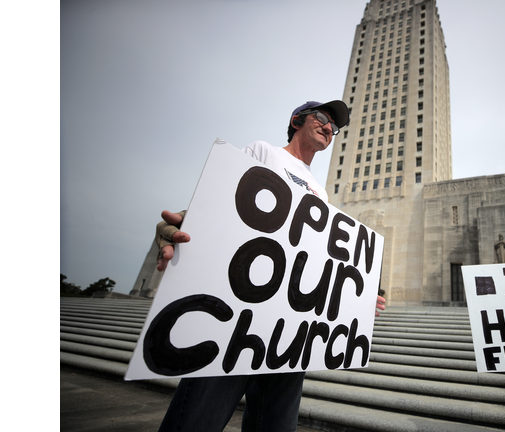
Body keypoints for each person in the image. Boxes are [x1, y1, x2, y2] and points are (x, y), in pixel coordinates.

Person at [153, 100, 386, 432]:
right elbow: (226, 201)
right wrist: (185, 224)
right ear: (296, 121)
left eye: (334, 127)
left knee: (276, 425)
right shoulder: (263, 152)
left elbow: (315, 258)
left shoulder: (320, 193)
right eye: (321, 118)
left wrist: (354, 300)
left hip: (289, 329)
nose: (328, 127)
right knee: (197, 419)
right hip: (237, 314)